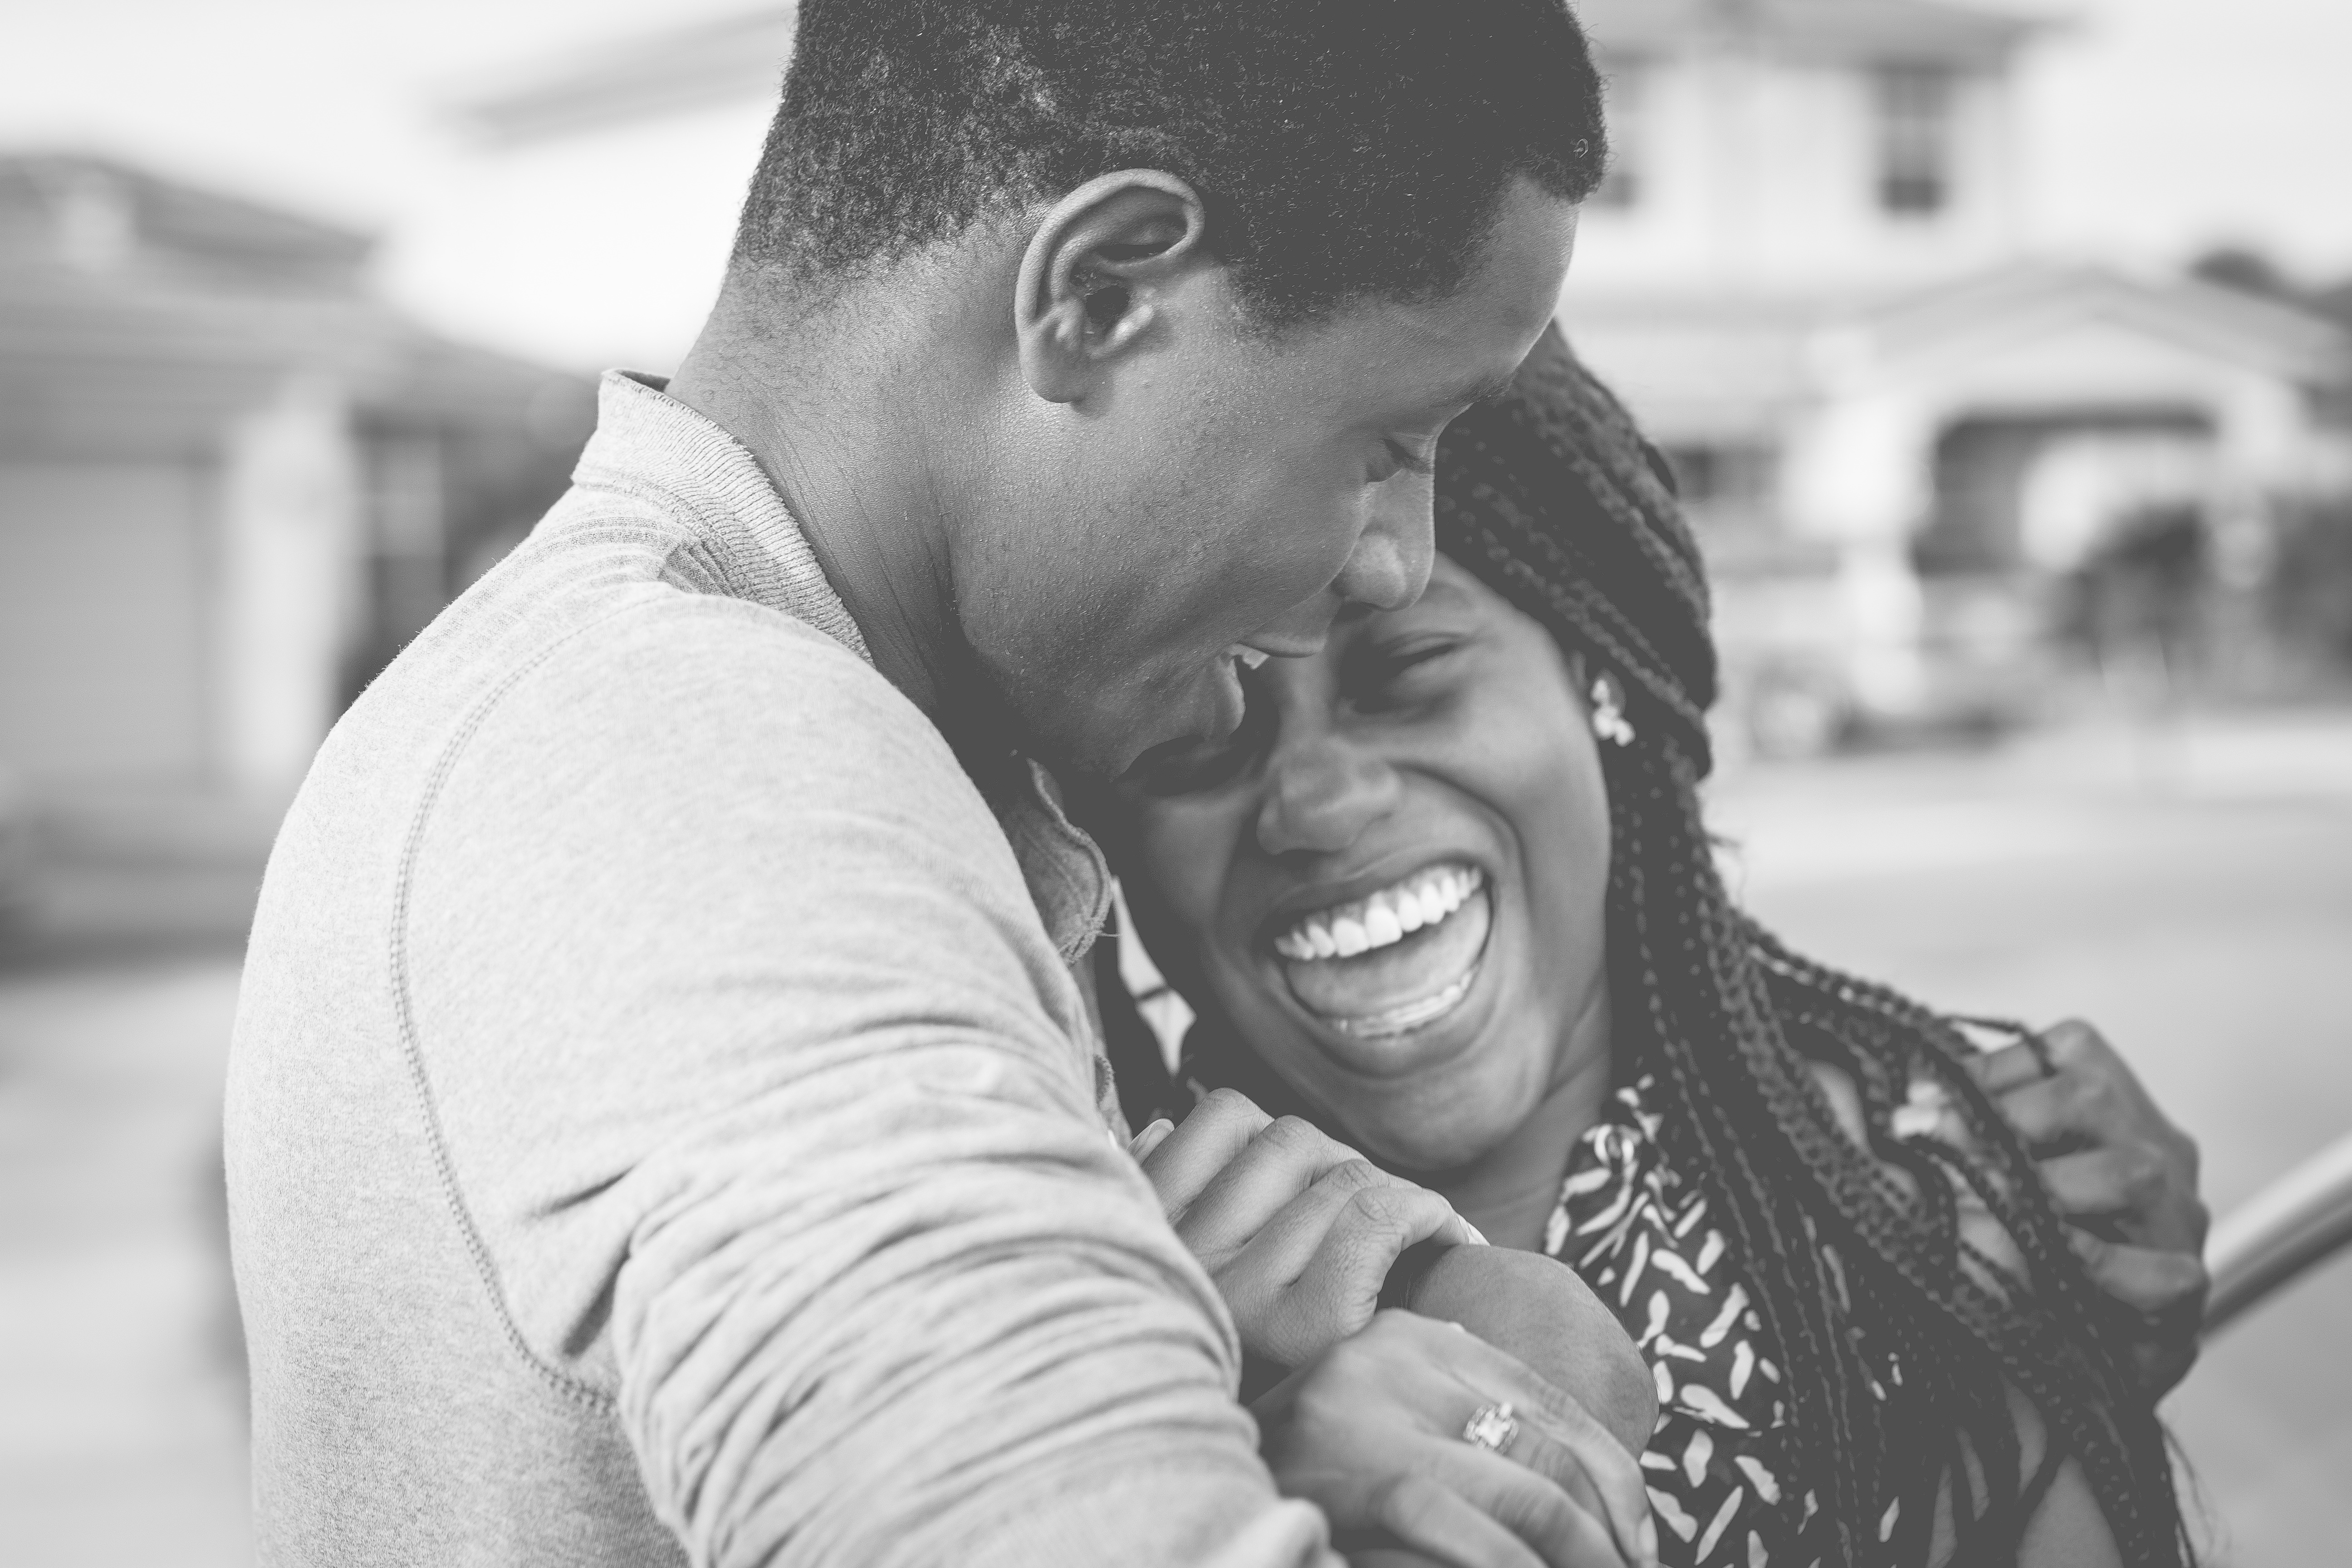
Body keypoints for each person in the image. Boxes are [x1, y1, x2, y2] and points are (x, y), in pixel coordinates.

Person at [223, 4, 1647, 1566]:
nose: (1400, 563)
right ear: (1100, 294)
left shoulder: (687, 719)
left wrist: (1434, 1318)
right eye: (1389, 441)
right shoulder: (699, 776)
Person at [1094, 326, 2210, 1568]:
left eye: (1410, 671)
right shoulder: (1073, 1292)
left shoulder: (1920, 1236)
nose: (1315, 801)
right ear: (1099, 840)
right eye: (1200, 730)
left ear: (1601, 680)